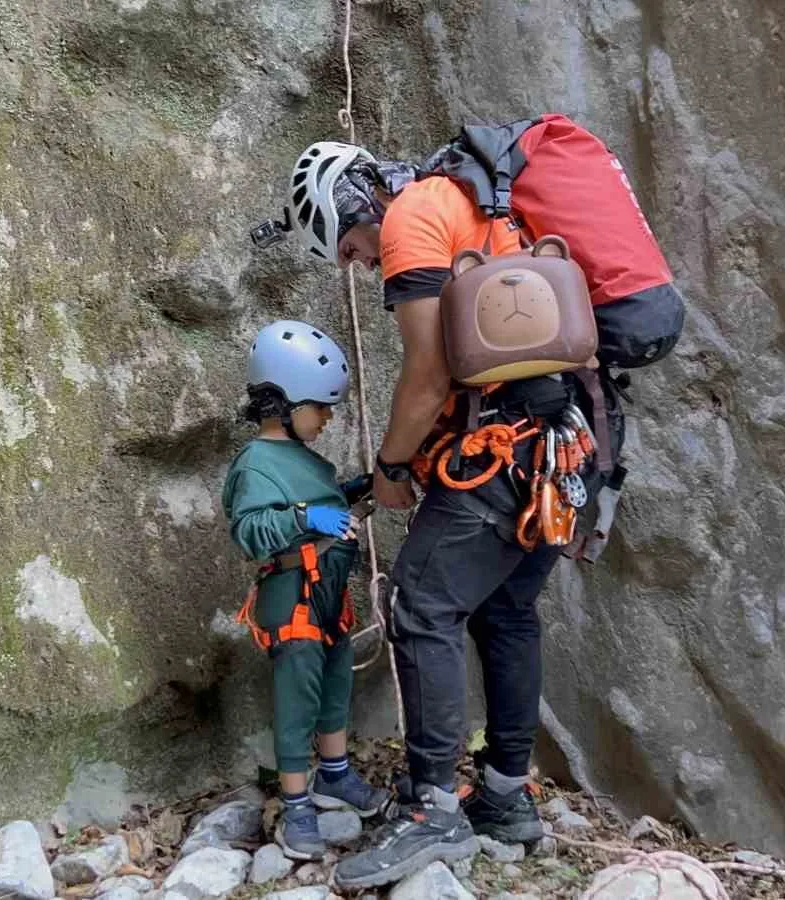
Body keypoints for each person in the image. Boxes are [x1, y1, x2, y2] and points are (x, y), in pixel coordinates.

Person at [254, 121, 683, 890]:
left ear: (353, 203)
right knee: (506, 609)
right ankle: (505, 798)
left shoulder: (417, 213)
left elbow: (429, 374)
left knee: (420, 605)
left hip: (510, 449)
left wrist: (390, 468)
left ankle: (433, 811)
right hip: (574, 441)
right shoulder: (480, 206)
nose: (358, 264)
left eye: (348, 246)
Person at [221, 319, 392, 861]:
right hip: (292, 596)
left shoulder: (308, 460)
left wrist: (350, 493)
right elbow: (250, 531)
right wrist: (304, 515)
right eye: (321, 406)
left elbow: (323, 504)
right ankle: (297, 804)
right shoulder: (255, 464)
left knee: (336, 683)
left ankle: (335, 776)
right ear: (284, 405)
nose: (329, 417)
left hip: (330, 596)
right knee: (297, 698)